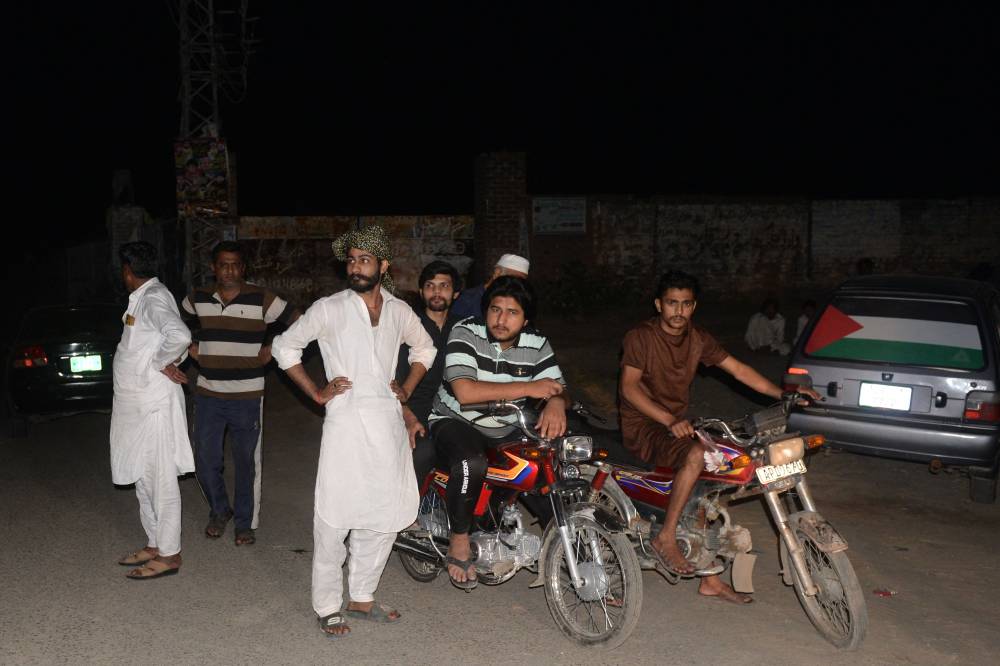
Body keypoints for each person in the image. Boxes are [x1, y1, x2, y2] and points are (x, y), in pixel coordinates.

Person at [271, 225, 436, 638]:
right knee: (335, 515)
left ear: (383, 266)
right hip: (345, 423)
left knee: (382, 515)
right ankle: (328, 604)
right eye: (351, 259)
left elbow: (425, 350)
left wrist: (408, 388)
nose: (356, 266)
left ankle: (362, 597)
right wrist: (317, 393)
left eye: (365, 259)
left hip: (387, 424)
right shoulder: (330, 308)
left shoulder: (399, 311)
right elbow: (284, 348)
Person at [619, 270, 819, 604]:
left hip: (678, 424)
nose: (678, 311)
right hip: (644, 426)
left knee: (721, 466)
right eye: (671, 303)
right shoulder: (640, 337)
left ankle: (708, 576)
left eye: (685, 304)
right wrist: (669, 419)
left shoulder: (698, 339)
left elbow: (739, 369)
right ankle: (665, 537)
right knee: (696, 456)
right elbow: (628, 387)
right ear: (659, 305)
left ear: (693, 306)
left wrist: (784, 393)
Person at [429, 276, 567, 590]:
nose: (501, 319)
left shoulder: (537, 342)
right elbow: (465, 391)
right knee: (472, 462)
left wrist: (557, 401)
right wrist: (531, 388)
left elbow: (557, 385)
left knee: (544, 467)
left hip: (506, 425)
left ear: (526, 319)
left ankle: (566, 550)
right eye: (495, 309)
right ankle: (460, 540)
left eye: (512, 312)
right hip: (456, 421)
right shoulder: (465, 331)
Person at [181, 241, 300, 546]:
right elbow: (173, 322)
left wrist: (274, 349)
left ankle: (244, 524)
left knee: (246, 461)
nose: (230, 270)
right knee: (205, 460)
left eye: (235, 264)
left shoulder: (262, 298)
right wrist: (188, 347)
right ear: (213, 268)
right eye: (224, 264)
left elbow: (300, 322)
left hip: (247, 396)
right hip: (208, 393)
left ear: (243, 268)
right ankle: (220, 510)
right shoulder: (198, 298)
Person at [110, 242, 194, 579]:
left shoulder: (154, 297)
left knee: (159, 480)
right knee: (142, 478)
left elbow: (180, 334)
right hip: (136, 405)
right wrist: (164, 358)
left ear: (128, 270)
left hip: (153, 407)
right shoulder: (143, 297)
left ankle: (170, 553)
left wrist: (162, 361)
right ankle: (155, 542)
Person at [394, 260, 463, 485]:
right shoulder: (406, 328)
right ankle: (408, 512)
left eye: (444, 286)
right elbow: (390, 381)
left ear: (455, 293)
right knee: (422, 452)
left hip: (455, 411)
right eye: (430, 286)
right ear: (421, 292)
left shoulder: (465, 329)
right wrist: (407, 416)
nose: (437, 292)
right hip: (414, 409)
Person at [449, 253, 529, 319]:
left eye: (522, 281)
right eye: (513, 278)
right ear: (497, 273)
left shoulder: (519, 302)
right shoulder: (467, 300)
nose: (517, 284)